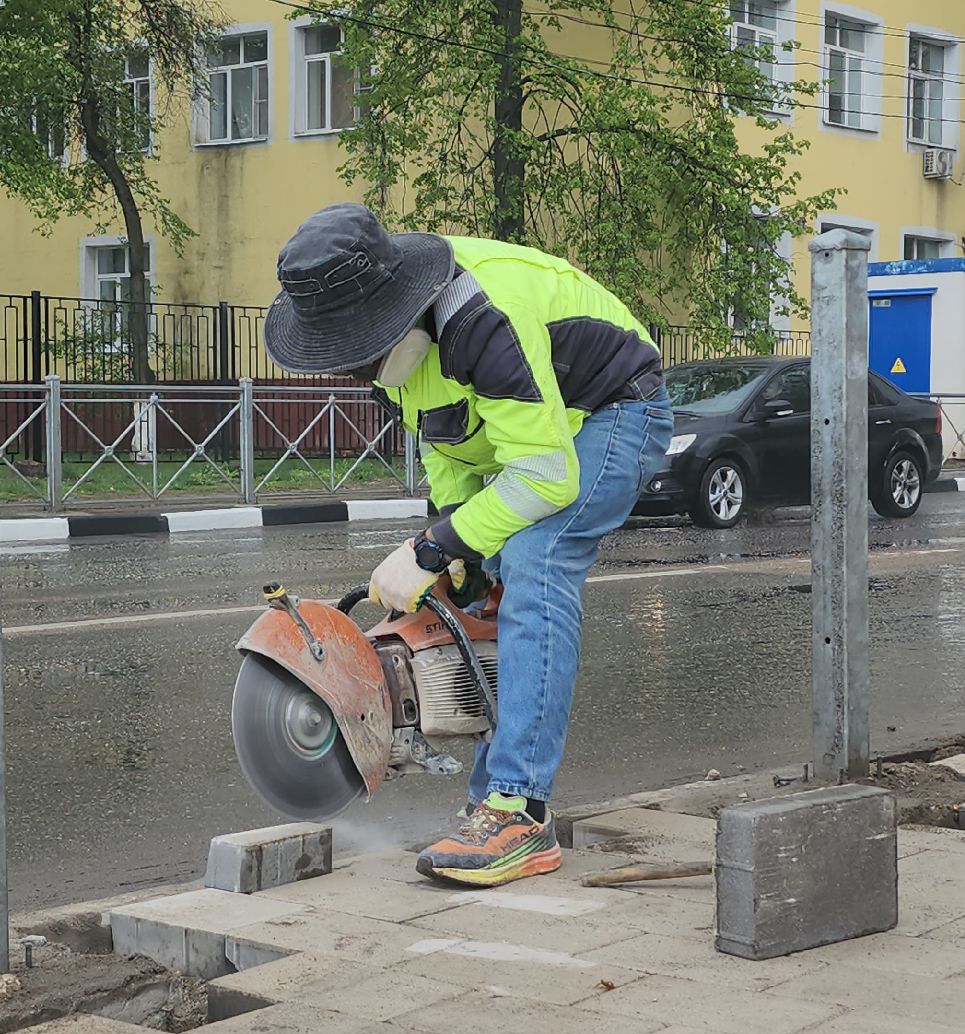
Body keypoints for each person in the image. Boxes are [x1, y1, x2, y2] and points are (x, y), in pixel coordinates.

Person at [263, 203, 673, 887]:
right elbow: (450, 452)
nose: (351, 369)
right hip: (534, 441)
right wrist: (458, 554)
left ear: (393, 312)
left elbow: (545, 476)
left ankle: (520, 812)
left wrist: (430, 548)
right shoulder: (397, 357)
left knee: (539, 560)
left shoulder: (482, 320)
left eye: (356, 351)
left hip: (611, 411)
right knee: (485, 580)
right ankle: (491, 797)